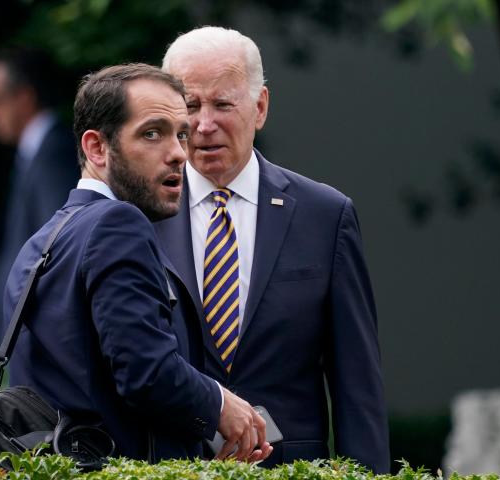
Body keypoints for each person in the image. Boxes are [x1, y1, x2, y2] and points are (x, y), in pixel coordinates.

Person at [4, 63, 272, 461]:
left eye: (181, 134)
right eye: (153, 133)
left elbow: (93, 398)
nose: (180, 153)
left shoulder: (42, 242)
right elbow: (146, 373)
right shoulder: (119, 223)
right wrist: (220, 404)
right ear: (97, 148)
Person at [155, 27, 389, 472]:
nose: (204, 125)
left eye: (223, 104)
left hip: (289, 467)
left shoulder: (323, 215)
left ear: (259, 106)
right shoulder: (138, 216)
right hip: (172, 466)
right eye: (190, 106)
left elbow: (356, 382)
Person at [0, 48, 79, 341]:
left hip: (33, 339)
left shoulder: (52, 154)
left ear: (24, 98)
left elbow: (57, 247)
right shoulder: (34, 153)